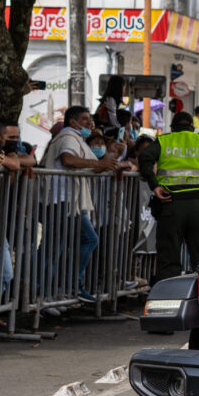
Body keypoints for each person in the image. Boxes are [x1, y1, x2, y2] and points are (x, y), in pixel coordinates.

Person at [136, 111, 199, 282]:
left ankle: (169, 301)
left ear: (173, 127)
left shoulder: (165, 140)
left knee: (168, 258)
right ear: (192, 127)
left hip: (171, 205)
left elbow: (145, 156)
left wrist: (155, 186)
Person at [42, 105, 120, 303]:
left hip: (71, 201)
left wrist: (116, 164)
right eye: (85, 119)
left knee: (62, 246)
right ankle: (49, 292)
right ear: (73, 122)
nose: (90, 123)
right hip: (62, 200)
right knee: (58, 248)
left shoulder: (77, 138)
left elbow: (96, 164)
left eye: (90, 119)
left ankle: (58, 290)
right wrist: (99, 165)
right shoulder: (68, 136)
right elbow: (68, 159)